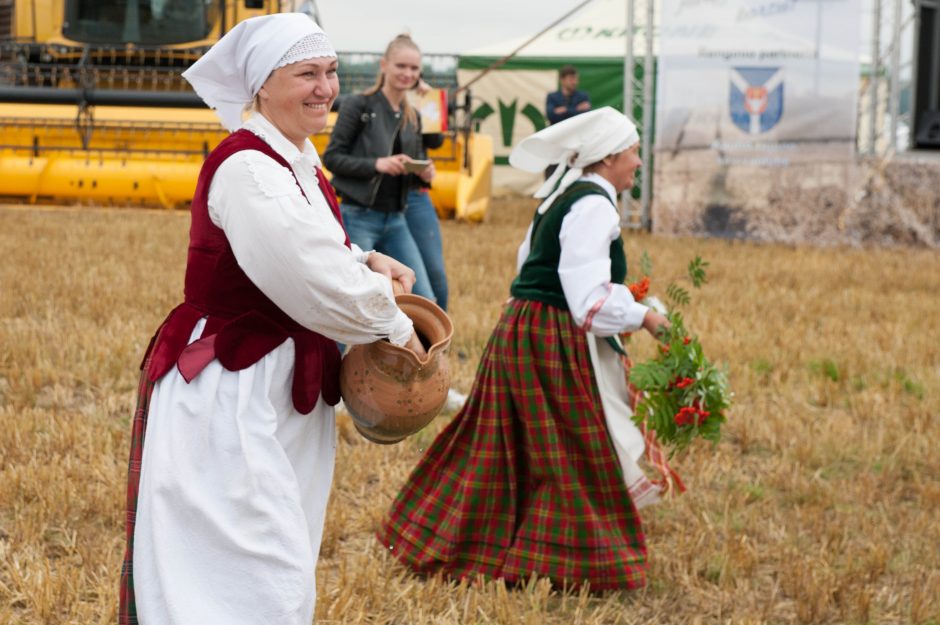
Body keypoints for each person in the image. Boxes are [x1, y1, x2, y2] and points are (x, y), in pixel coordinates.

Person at [118, 14, 426, 625]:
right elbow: (309, 274)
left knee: (279, 548)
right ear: (261, 86)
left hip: (283, 383)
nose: (325, 88)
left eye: (332, 71)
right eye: (306, 73)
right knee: (253, 567)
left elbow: (316, 246)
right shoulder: (247, 167)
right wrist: (395, 328)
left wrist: (364, 256)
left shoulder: (298, 157)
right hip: (233, 390)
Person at [378, 107, 677, 591]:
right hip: (552, 336)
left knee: (503, 441)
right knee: (572, 447)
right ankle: (577, 560)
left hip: (524, 326)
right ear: (610, 158)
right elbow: (587, 301)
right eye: (634, 153)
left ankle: (441, 532)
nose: (638, 163)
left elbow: (531, 263)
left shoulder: (563, 193)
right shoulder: (594, 203)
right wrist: (643, 316)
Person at [323, 34, 438, 304]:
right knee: (355, 300)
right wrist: (378, 165)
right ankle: (345, 349)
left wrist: (422, 171)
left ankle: (417, 348)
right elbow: (332, 157)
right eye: (401, 66)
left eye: (414, 68)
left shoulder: (413, 114)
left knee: (423, 299)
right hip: (359, 214)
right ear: (384, 65)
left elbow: (427, 148)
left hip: (396, 217)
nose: (407, 73)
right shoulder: (358, 105)